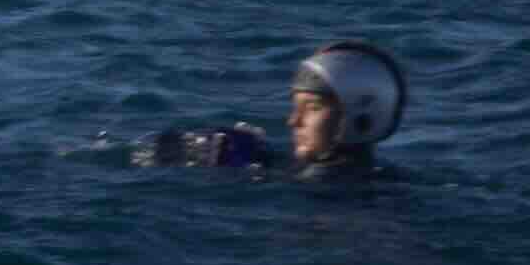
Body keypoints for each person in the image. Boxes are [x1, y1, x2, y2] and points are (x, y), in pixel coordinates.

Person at [138, 40, 409, 181]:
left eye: (312, 108)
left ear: (360, 115)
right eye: (295, 107)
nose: (293, 121)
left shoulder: (330, 194)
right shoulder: (383, 177)